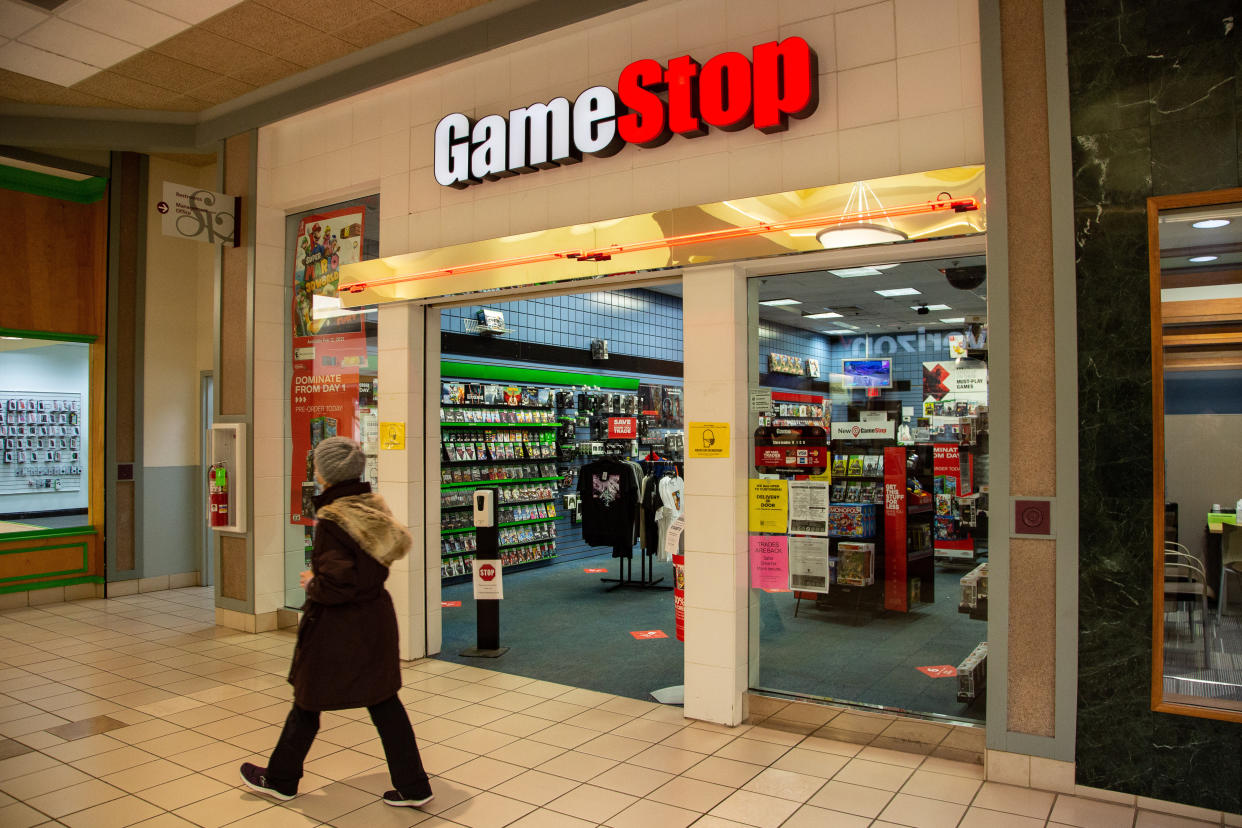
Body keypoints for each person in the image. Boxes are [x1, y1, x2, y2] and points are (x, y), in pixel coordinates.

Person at [240, 436, 433, 808]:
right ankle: (414, 785)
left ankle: (281, 779)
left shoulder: (334, 518)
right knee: (384, 703)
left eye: (317, 465)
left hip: (339, 629)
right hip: (375, 621)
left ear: (327, 474)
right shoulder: (370, 507)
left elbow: (340, 582)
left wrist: (314, 583)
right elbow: (367, 573)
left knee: (308, 701)